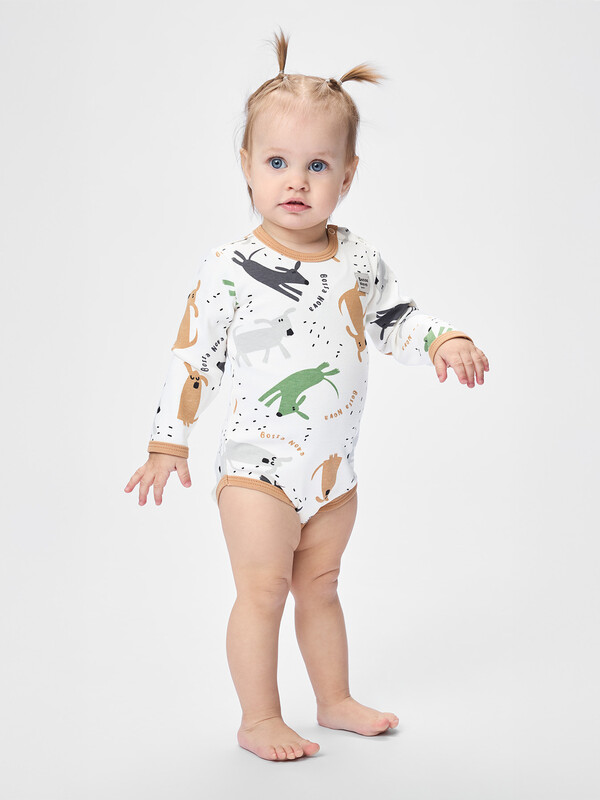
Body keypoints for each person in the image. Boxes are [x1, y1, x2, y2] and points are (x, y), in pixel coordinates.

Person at [124, 29, 489, 762]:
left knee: (320, 585)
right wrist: (169, 441)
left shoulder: (359, 257)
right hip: (256, 471)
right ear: (247, 166)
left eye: (317, 165)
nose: (296, 181)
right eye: (278, 162)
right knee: (262, 592)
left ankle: (334, 700)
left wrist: (442, 339)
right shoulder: (230, 266)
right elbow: (193, 356)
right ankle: (259, 717)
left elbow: (395, 319)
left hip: (334, 475)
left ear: (347, 176)